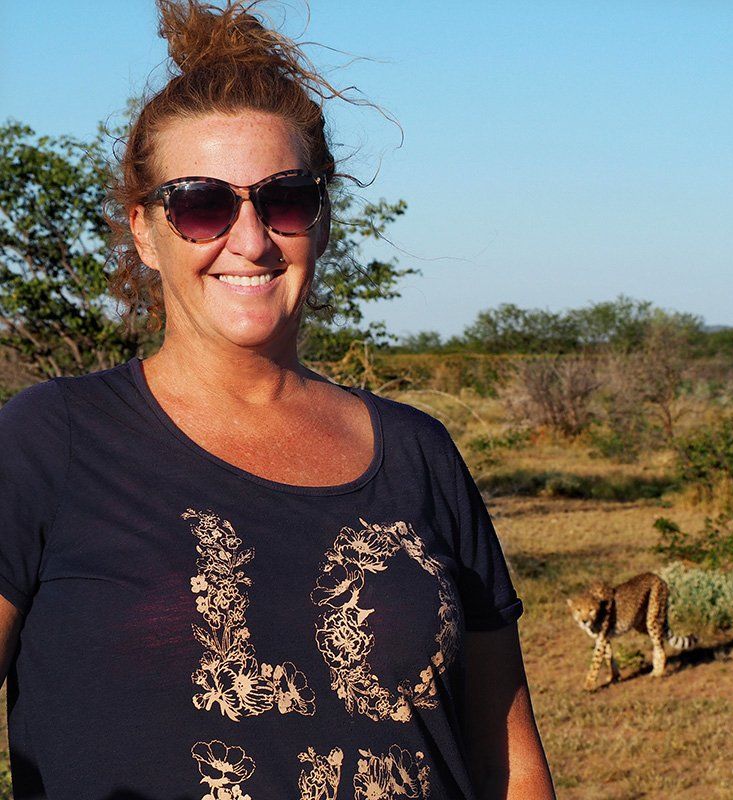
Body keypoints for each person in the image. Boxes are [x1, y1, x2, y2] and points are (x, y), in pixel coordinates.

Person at [0, 1, 556, 798]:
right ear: (143, 231)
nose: (251, 239)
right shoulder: (49, 442)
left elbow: (510, 762)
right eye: (201, 204)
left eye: (285, 199)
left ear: (321, 224)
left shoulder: (418, 452)